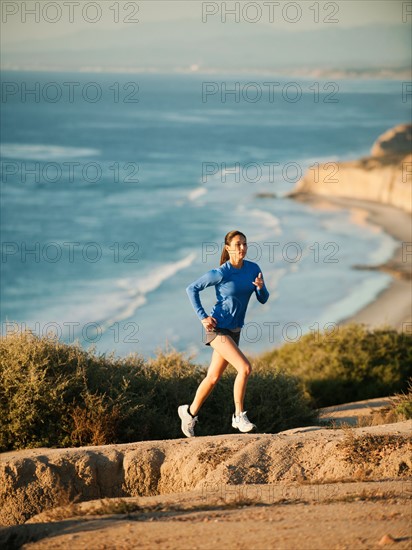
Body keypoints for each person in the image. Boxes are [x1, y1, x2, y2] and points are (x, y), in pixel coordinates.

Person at [178, 230, 269, 437]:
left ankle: (189, 413)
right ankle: (238, 416)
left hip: (235, 330)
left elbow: (263, 299)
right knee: (245, 368)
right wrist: (203, 317)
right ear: (228, 248)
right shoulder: (221, 272)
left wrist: (261, 288)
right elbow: (191, 289)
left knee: (212, 377)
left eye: (245, 244)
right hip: (218, 329)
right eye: (238, 244)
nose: (242, 248)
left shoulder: (253, 269)